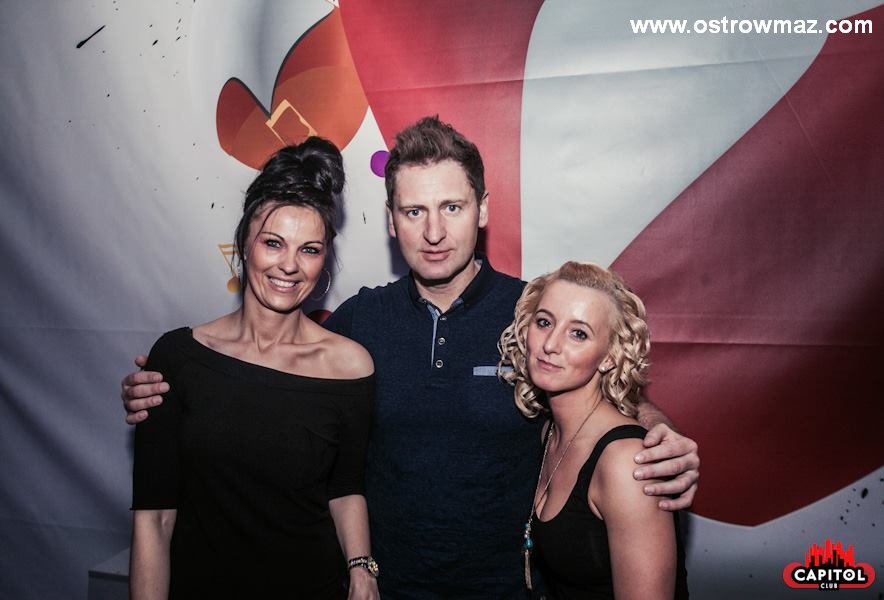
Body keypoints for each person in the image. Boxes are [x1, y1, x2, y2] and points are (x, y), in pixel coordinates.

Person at [122, 117, 700, 599]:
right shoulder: (358, 322)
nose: (434, 232)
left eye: (452, 207)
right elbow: (271, 370)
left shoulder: (534, 317)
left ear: (482, 210)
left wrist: (657, 435)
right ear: (391, 219)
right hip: (382, 589)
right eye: (414, 211)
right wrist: (169, 382)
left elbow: (607, 401)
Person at [128, 137, 379, 600]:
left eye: (309, 249)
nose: (289, 265)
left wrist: (362, 571)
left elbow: (345, 488)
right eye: (273, 243)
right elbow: (154, 519)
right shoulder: (177, 359)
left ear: (325, 259)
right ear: (245, 242)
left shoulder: (349, 367)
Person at [499, 261, 688, 599]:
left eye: (579, 333)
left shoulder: (627, 462)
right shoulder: (549, 432)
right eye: (544, 322)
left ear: (609, 357)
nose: (551, 344)